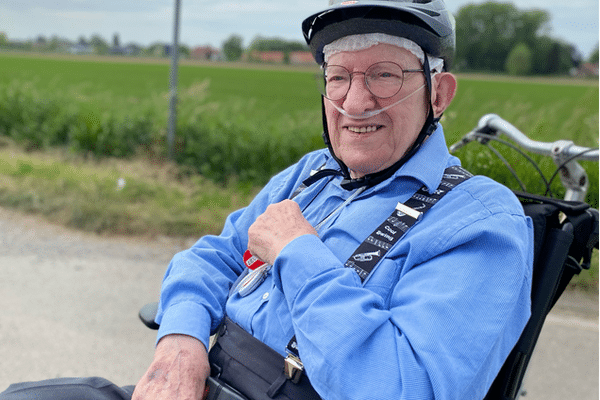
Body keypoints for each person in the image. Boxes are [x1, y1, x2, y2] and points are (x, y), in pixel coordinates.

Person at [0, 0, 533, 399]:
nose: (355, 101)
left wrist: (300, 255)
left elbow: (402, 387)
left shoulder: (479, 221)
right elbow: (211, 257)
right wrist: (181, 338)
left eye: (385, 76)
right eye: (339, 76)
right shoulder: (313, 174)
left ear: (438, 94)